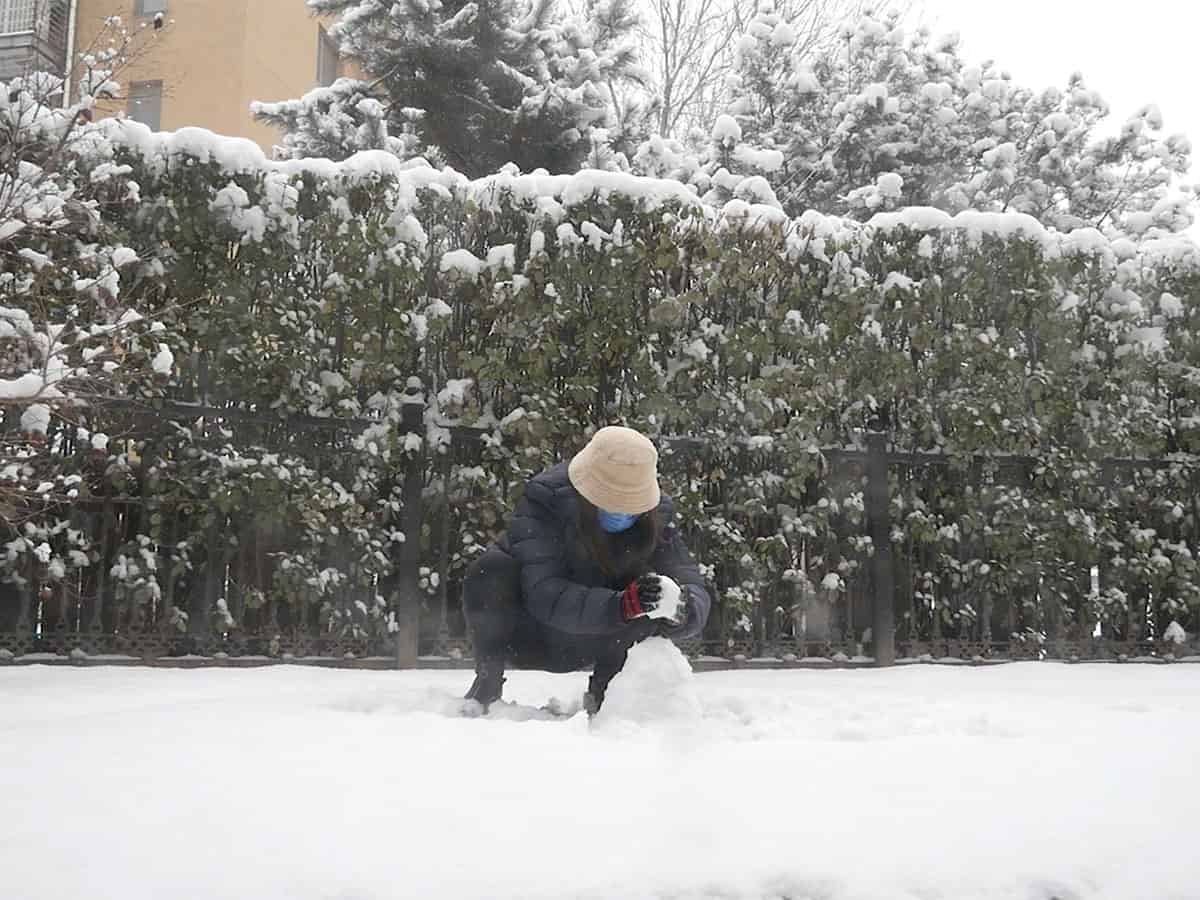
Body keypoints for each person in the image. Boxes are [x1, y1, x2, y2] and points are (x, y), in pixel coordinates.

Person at [462, 425, 712, 714]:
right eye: (611, 500)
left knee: (651, 588)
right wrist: (621, 605)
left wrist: (680, 607)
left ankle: (608, 695)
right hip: (532, 635)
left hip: (605, 639)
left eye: (631, 505)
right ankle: (487, 683)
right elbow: (543, 593)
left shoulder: (659, 516)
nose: (621, 512)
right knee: (490, 570)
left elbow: (690, 580)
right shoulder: (545, 501)